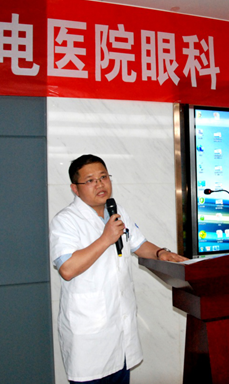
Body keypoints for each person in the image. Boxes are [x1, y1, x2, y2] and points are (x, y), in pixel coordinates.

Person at [49, 154, 187, 384]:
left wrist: (160, 253)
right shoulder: (65, 221)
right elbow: (67, 269)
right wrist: (106, 238)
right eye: (90, 180)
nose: (100, 184)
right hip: (89, 338)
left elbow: (138, 244)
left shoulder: (116, 211)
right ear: (75, 188)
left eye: (103, 177)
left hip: (121, 332)